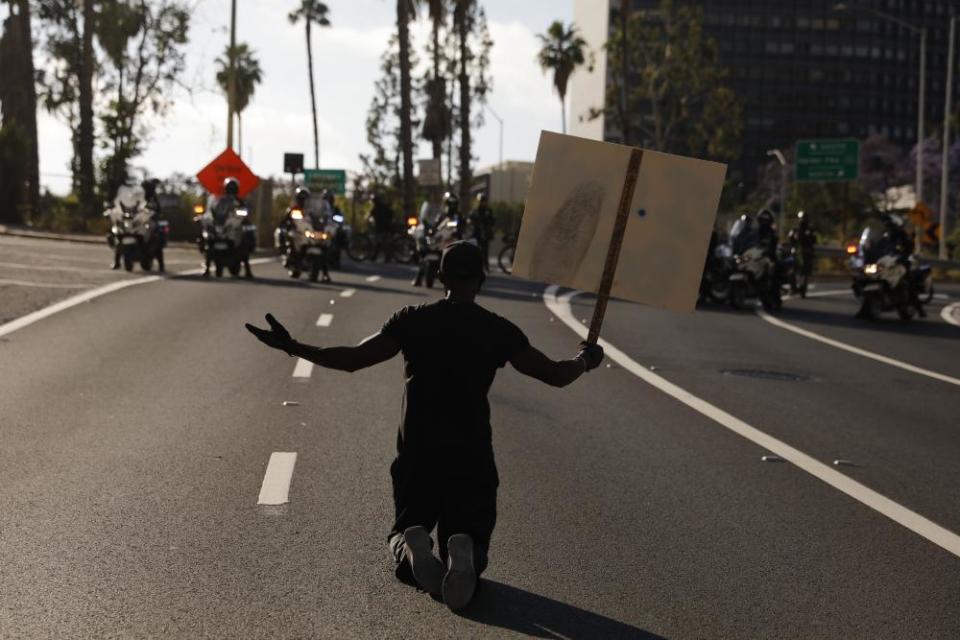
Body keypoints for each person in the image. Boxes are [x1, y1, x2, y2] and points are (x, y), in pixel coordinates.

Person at [245, 241, 604, 612]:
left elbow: (352, 359)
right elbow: (556, 375)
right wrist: (585, 359)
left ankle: (410, 541)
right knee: (471, 533)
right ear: (481, 279)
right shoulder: (498, 330)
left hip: (418, 448)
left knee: (405, 533)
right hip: (471, 451)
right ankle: (464, 547)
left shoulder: (412, 319)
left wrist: (293, 346)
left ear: (439, 277)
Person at [203, 177, 254, 278]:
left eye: (233, 188)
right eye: (229, 188)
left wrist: (242, 215)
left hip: (234, 226)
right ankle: (207, 268)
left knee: (246, 237)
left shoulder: (239, 201)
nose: (231, 190)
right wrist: (209, 215)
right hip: (222, 224)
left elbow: (245, 212)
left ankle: (248, 269)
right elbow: (214, 209)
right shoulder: (220, 200)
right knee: (208, 238)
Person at [788, 211, 816, 292]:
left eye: (804, 218)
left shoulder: (810, 230)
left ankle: (802, 284)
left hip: (806, 252)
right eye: (801, 218)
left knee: (806, 269)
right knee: (791, 270)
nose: (803, 220)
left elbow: (814, 240)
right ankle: (793, 287)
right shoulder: (795, 229)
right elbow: (790, 238)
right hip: (797, 252)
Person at [469, 193, 496, 272]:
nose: (482, 203)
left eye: (484, 201)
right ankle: (476, 267)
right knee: (476, 250)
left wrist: (489, 225)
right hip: (477, 233)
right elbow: (471, 219)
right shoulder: (475, 211)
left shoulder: (488, 210)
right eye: (481, 201)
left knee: (485, 250)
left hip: (485, 233)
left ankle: (486, 267)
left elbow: (492, 221)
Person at [370, 193, 395, 262]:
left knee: (380, 242)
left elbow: (372, 214)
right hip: (384, 227)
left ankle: (383, 257)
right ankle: (378, 257)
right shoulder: (381, 207)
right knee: (381, 242)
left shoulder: (378, 207)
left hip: (382, 227)